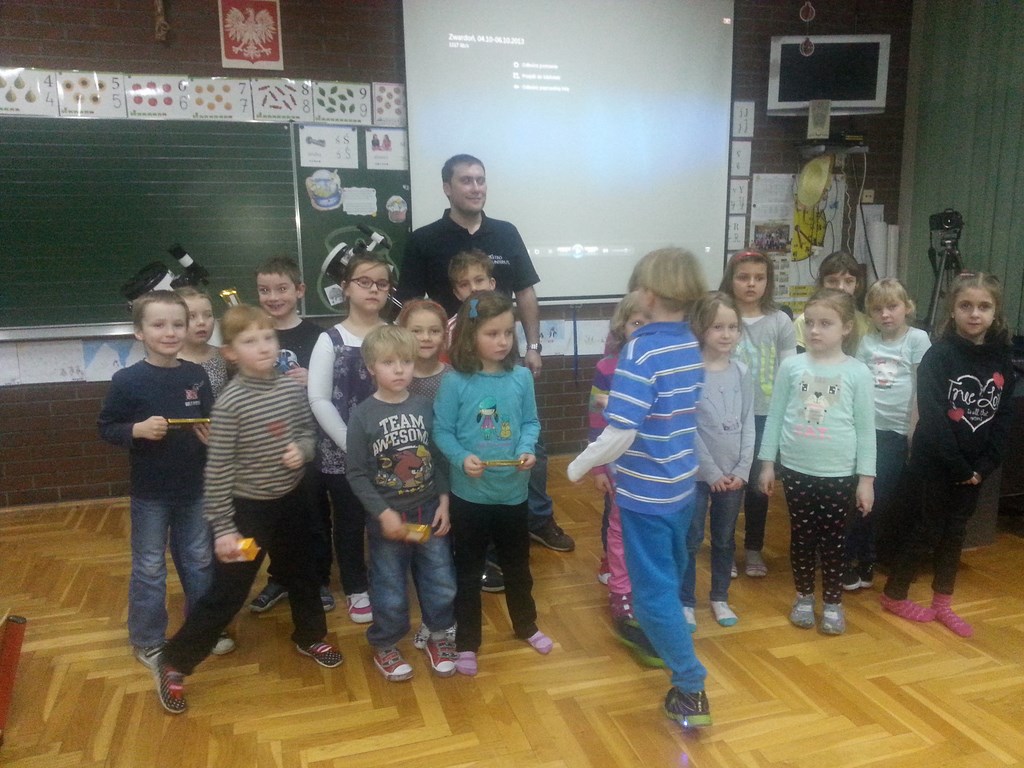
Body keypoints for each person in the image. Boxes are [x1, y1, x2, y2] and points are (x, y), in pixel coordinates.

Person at [154, 305, 342, 714]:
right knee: (230, 590)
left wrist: (303, 449)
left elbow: (307, 432)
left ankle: (310, 636)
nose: (263, 347)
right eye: (250, 341)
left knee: (304, 573)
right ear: (231, 353)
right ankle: (175, 661)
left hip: (291, 502)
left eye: (268, 338)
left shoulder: (291, 390)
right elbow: (218, 470)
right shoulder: (230, 404)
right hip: (249, 513)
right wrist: (224, 529)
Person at [396, 154, 574, 552]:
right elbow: (408, 307)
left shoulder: (506, 233)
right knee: (466, 439)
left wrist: (534, 347)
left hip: (505, 358)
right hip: (455, 367)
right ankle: (475, 533)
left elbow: (525, 291)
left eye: (480, 180)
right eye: (466, 180)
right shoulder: (424, 240)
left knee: (528, 441)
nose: (475, 187)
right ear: (447, 188)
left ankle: (536, 518)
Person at [568, 248, 712, 728]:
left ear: (647, 294)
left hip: (647, 496)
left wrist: (578, 466)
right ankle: (678, 654)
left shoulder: (641, 350)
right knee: (668, 580)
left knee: (651, 598)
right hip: (680, 489)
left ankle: (690, 687)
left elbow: (621, 431)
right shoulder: (689, 343)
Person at [880, 273, 1015, 638]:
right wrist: (959, 467)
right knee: (927, 529)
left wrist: (983, 467)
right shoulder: (939, 355)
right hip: (936, 464)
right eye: (966, 306)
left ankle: (943, 602)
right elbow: (934, 417)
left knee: (955, 533)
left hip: (975, 470)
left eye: (984, 306)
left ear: (995, 313)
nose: (975, 314)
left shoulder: (1001, 360)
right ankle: (895, 594)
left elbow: (1003, 416)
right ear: (952, 310)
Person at [433, 291, 554, 676]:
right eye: (492, 333)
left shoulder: (521, 377)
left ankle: (526, 625)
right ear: (470, 336)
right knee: (468, 572)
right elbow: (442, 431)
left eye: (506, 332)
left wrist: (526, 448)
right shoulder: (455, 382)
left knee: (518, 567)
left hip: (512, 493)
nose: (502, 341)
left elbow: (530, 422)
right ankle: (467, 641)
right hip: (470, 497)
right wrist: (460, 458)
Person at [98, 290, 221, 669]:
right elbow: (107, 427)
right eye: (159, 325)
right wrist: (136, 430)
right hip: (150, 492)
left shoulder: (196, 374)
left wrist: (213, 436)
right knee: (150, 566)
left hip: (195, 488)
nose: (170, 332)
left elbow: (211, 421)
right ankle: (148, 639)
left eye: (177, 324)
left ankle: (202, 631)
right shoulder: (127, 380)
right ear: (139, 331)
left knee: (200, 560)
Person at [758, 289, 876, 635]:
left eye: (825, 323)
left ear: (846, 328)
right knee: (802, 537)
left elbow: (866, 430)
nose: (814, 330)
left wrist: (866, 480)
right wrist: (767, 464)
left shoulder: (858, 372)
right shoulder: (791, 367)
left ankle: (834, 602)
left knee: (834, 541)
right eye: (809, 322)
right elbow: (775, 417)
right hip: (796, 469)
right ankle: (804, 596)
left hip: (839, 473)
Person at [346, 325, 458, 681]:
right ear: (371, 368)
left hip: (428, 511)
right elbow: (356, 473)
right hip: (388, 520)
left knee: (441, 578)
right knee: (390, 586)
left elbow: (438, 459)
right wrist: (383, 513)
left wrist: (444, 501)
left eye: (406, 362)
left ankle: (438, 635)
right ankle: (386, 644)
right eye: (389, 363)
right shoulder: (362, 415)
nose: (399, 370)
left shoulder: (426, 407)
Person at [308, 252, 391, 624]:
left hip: (390, 447)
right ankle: (356, 588)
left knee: (386, 515)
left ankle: (387, 579)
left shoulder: (394, 336)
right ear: (345, 288)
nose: (374, 289)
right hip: (342, 452)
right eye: (364, 282)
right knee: (350, 520)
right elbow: (318, 398)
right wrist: (351, 445)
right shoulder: (330, 339)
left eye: (382, 284)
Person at [250, 256, 335, 614]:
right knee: (275, 515)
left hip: (308, 441)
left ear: (299, 290)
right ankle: (280, 578)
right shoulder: (254, 333)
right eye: (264, 290)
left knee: (313, 512)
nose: (273, 297)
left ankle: (318, 580)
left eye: (281, 288)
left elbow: (333, 386)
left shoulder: (318, 336)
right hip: (267, 444)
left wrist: (312, 380)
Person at [585, 293, 661, 664]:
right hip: (619, 464)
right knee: (618, 527)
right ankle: (621, 591)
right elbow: (595, 419)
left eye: (651, 323)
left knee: (650, 529)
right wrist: (599, 467)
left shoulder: (665, 365)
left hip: (657, 466)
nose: (643, 330)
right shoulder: (607, 367)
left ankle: (647, 588)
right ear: (623, 327)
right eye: (636, 323)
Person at [847, 278, 930, 591]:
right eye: (877, 309)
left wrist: (913, 431)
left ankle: (866, 557)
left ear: (907, 307)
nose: (885, 314)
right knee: (858, 496)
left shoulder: (917, 339)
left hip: (897, 432)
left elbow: (922, 388)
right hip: (866, 431)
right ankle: (851, 556)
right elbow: (856, 386)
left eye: (892, 306)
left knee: (878, 499)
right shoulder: (867, 342)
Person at [721, 250, 796, 578]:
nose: (751, 284)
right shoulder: (722, 316)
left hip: (766, 415)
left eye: (759, 278)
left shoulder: (780, 321)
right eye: (743, 277)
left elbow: (790, 370)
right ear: (731, 280)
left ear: (768, 281)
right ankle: (724, 549)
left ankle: (753, 548)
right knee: (728, 487)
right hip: (727, 417)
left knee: (757, 486)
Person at [682, 292, 754, 630]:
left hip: (733, 475)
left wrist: (743, 468)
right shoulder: (690, 372)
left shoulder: (741, 371)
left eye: (733, 327)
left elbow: (748, 420)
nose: (726, 334)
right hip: (697, 475)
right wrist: (710, 472)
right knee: (691, 539)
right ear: (701, 328)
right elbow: (688, 428)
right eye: (717, 327)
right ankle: (685, 600)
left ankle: (720, 597)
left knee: (724, 539)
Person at [793, 251, 872, 351]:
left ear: (857, 285)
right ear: (822, 283)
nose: (841, 287)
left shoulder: (867, 324)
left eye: (848, 281)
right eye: (832, 281)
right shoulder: (804, 322)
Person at [175, 287, 229, 398]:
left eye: (208, 315)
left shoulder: (225, 356)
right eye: (191, 316)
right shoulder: (168, 362)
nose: (201, 322)